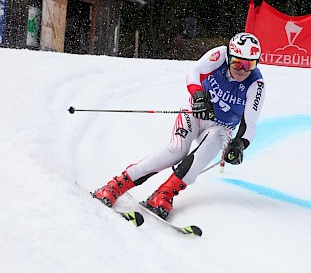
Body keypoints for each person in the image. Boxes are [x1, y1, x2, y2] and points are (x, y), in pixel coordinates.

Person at [92, 32, 266, 219]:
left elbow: (250, 124)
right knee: (177, 150)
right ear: (229, 57)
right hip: (196, 112)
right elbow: (195, 72)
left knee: (200, 158)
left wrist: (239, 144)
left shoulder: (256, 84)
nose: (242, 69)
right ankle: (116, 185)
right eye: (237, 63)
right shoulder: (219, 55)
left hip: (221, 127)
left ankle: (163, 194)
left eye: (249, 64)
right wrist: (198, 95)